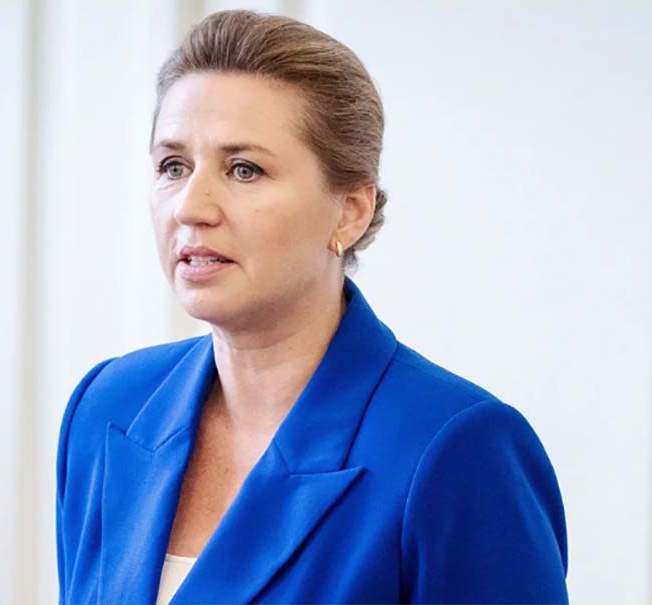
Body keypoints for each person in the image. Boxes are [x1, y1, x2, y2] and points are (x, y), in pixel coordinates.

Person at [55, 9, 568, 605]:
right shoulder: (108, 406)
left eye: (244, 169)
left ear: (350, 212)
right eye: (174, 166)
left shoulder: (460, 449)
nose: (191, 207)